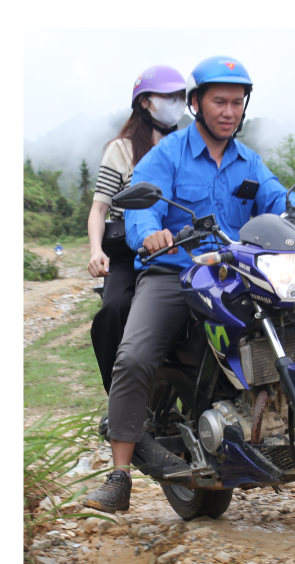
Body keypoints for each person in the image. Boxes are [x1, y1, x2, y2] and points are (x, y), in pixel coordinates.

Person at [84, 56, 295, 513]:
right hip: (175, 271)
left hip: (235, 272)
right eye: (219, 101)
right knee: (135, 353)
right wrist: (151, 234)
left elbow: (277, 197)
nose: (229, 111)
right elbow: (142, 203)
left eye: (237, 103)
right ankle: (119, 473)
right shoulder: (169, 154)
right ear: (197, 103)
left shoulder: (248, 161)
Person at [88, 64, 187, 394]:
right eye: (167, 96)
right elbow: (99, 208)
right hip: (134, 252)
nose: (175, 102)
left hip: (180, 247)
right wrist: (95, 251)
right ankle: (119, 394)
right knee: (115, 307)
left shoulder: (185, 146)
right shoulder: (121, 149)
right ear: (145, 102)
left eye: (180, 97)